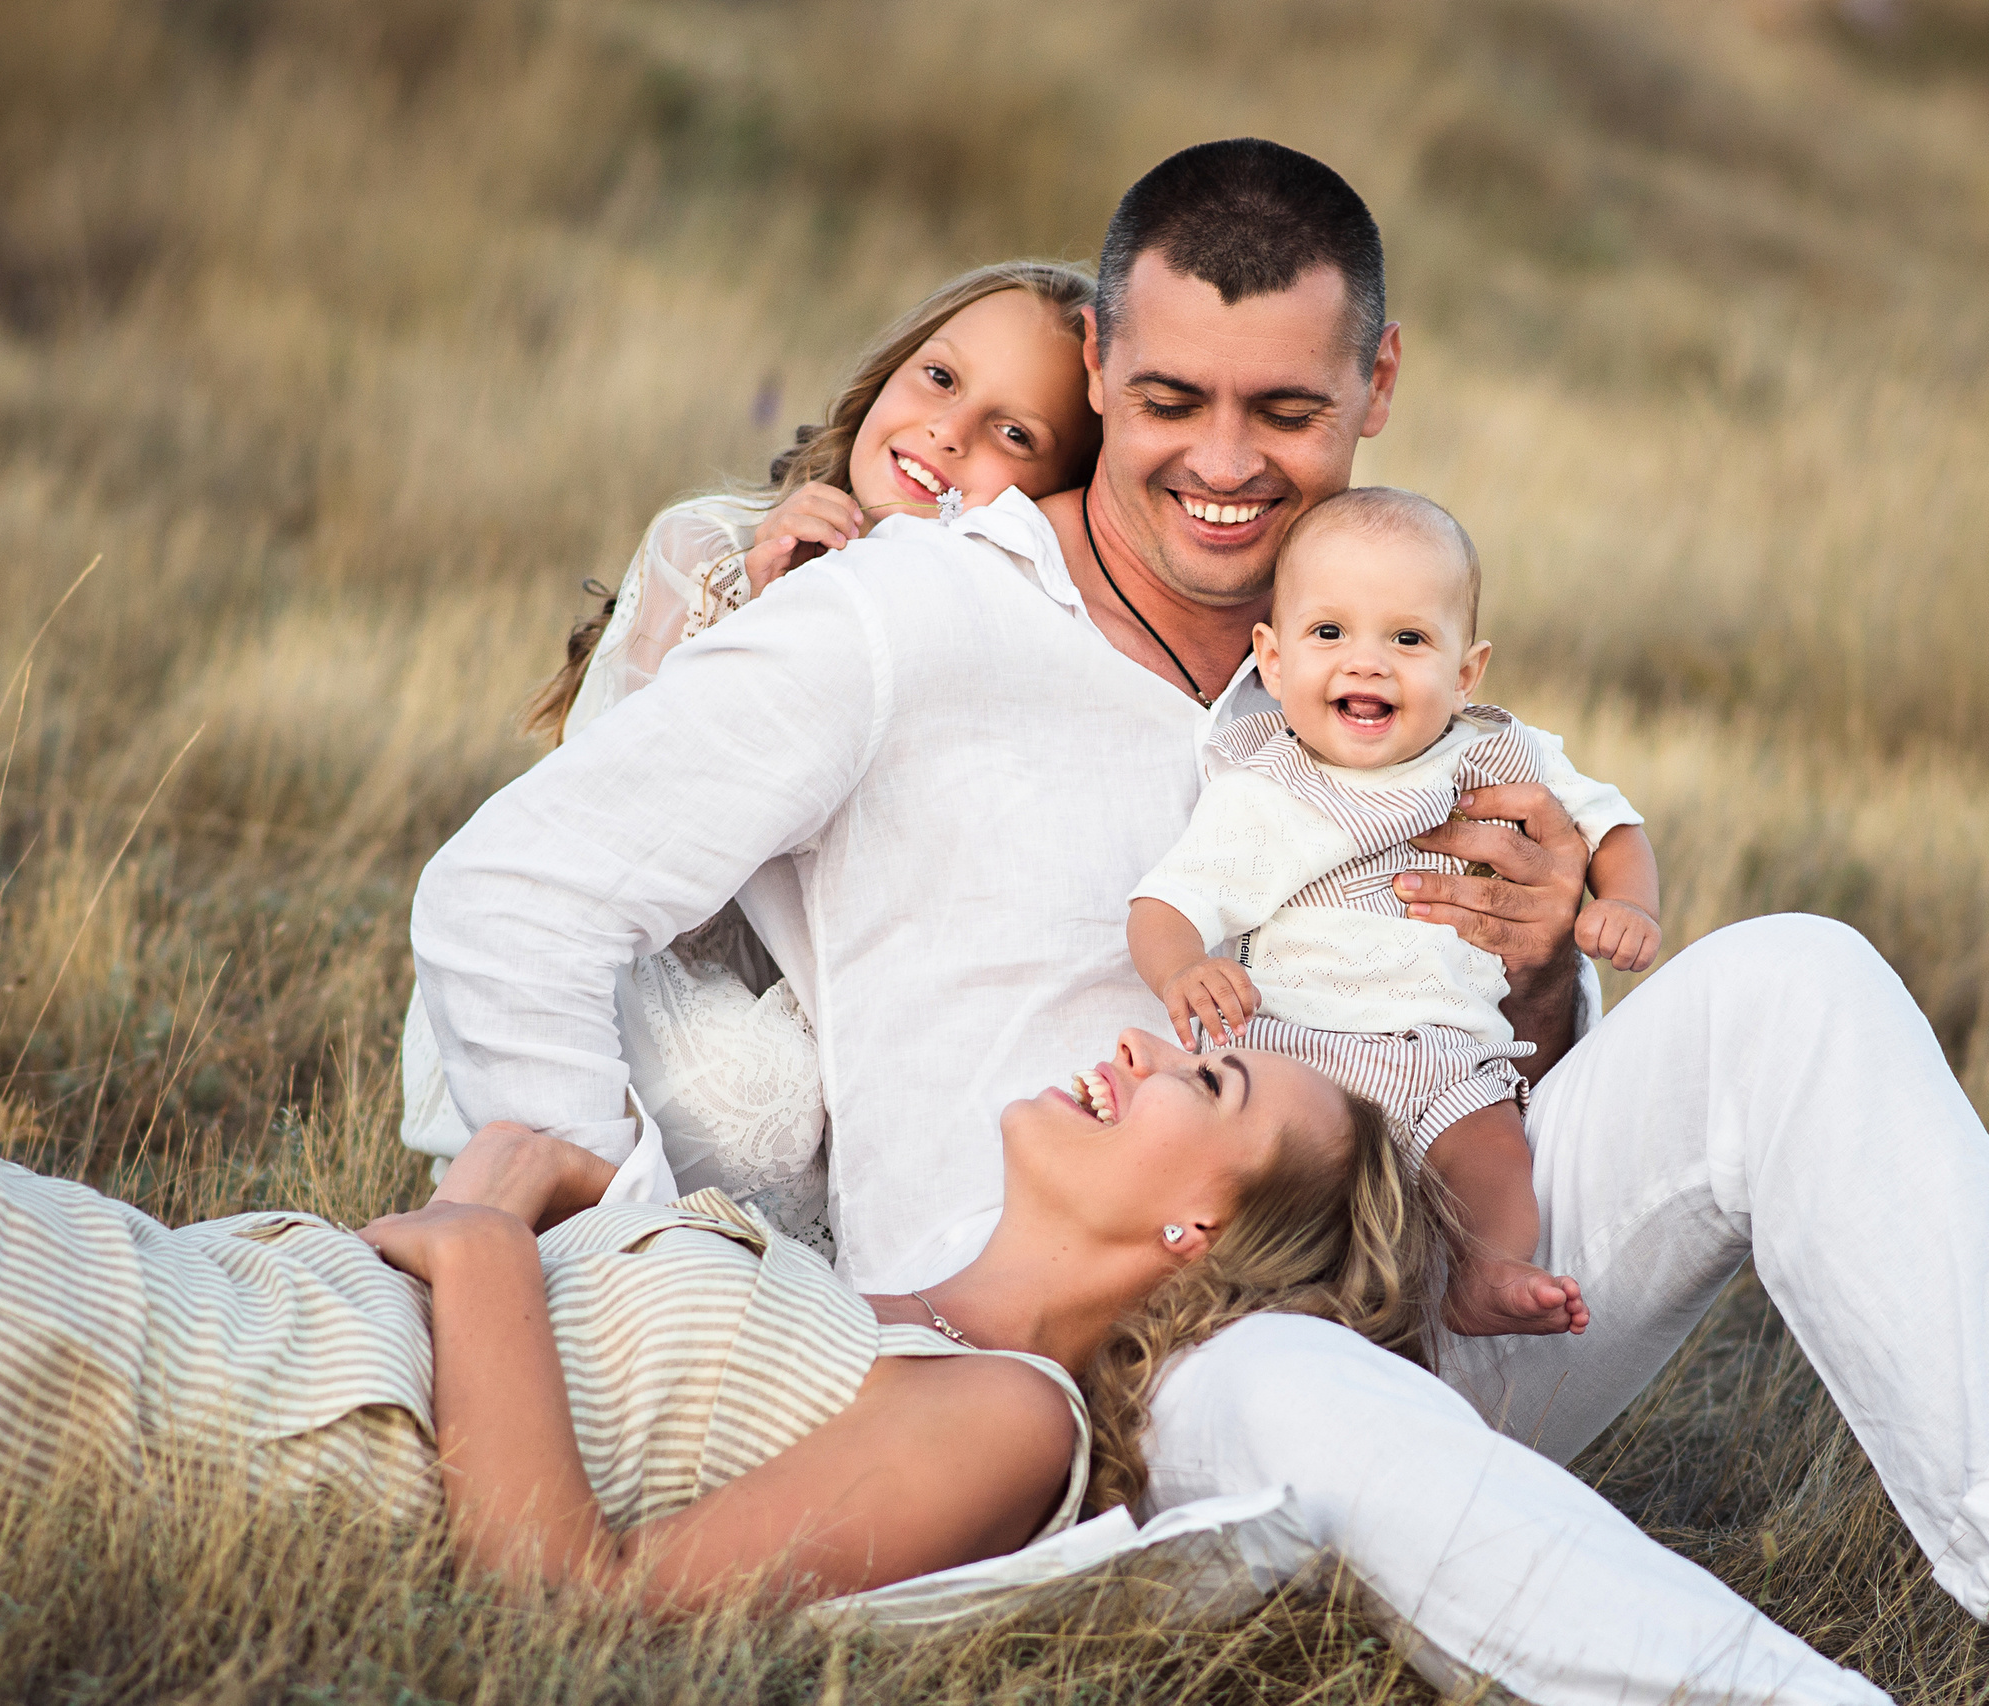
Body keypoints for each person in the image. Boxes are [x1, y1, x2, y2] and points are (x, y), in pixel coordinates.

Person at [409, 138, 1969, 1702]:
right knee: (1289, 1376)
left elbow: (1487, 1058)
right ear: (1098, 361)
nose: (1225, 464)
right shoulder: (903, 615)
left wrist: (1543, 970)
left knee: (1799, 978)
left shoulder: (1361, 647)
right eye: (1169, 401)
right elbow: (517, 888)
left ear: (1378, 380)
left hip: (1447, 1275)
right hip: (1124, 1374)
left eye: (1285, 410)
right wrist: (622, 1256)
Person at [0, 694, 1419, 1613]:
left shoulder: (1003, 1419)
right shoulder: (883, 1292)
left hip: (184, 1409)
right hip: (156, 1278)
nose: (1147, 1043)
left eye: (1209, 1084)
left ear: (1199, 1230)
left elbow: (575, 1610)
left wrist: (480, 1251)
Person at [401, 261, 1103, 1251]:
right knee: (753, 1088)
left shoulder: (1007, 647)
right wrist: (767, 624)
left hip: (825, 989)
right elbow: (602, 853)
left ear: (1059, 498)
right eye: (941, 378)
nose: (951, 432)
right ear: (889, 371)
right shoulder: (709, 546)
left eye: (1015, 433)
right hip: (648, 973)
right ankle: (585, 1232)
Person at [1126, 485, 1662, 1338]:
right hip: (1301, 1050)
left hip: (1445, 1054)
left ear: (1466, 672)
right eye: (1329, 633)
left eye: (1408, 639)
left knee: (1495, 1160)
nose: (1367, 663)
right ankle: (1245, 1316)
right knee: (1270, 1190)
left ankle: (1487, 1272)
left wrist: (1627, 901)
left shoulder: (1496, 750)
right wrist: (1183, 968)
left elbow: (1613, 827)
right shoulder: (1267, 788)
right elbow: (1168, 901)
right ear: (1272, 659)